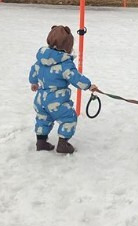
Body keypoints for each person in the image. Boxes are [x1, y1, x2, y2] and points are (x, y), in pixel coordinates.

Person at [29, 25, 99, 154]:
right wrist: (89, 86)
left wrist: (33, 83)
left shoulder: (41, 60)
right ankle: (63, 144)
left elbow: (33, 71)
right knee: (69, 118)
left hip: (40, 99)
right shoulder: (64, 63)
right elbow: (75, 78)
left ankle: (41, 142)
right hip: (56, 100)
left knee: (43, 118)